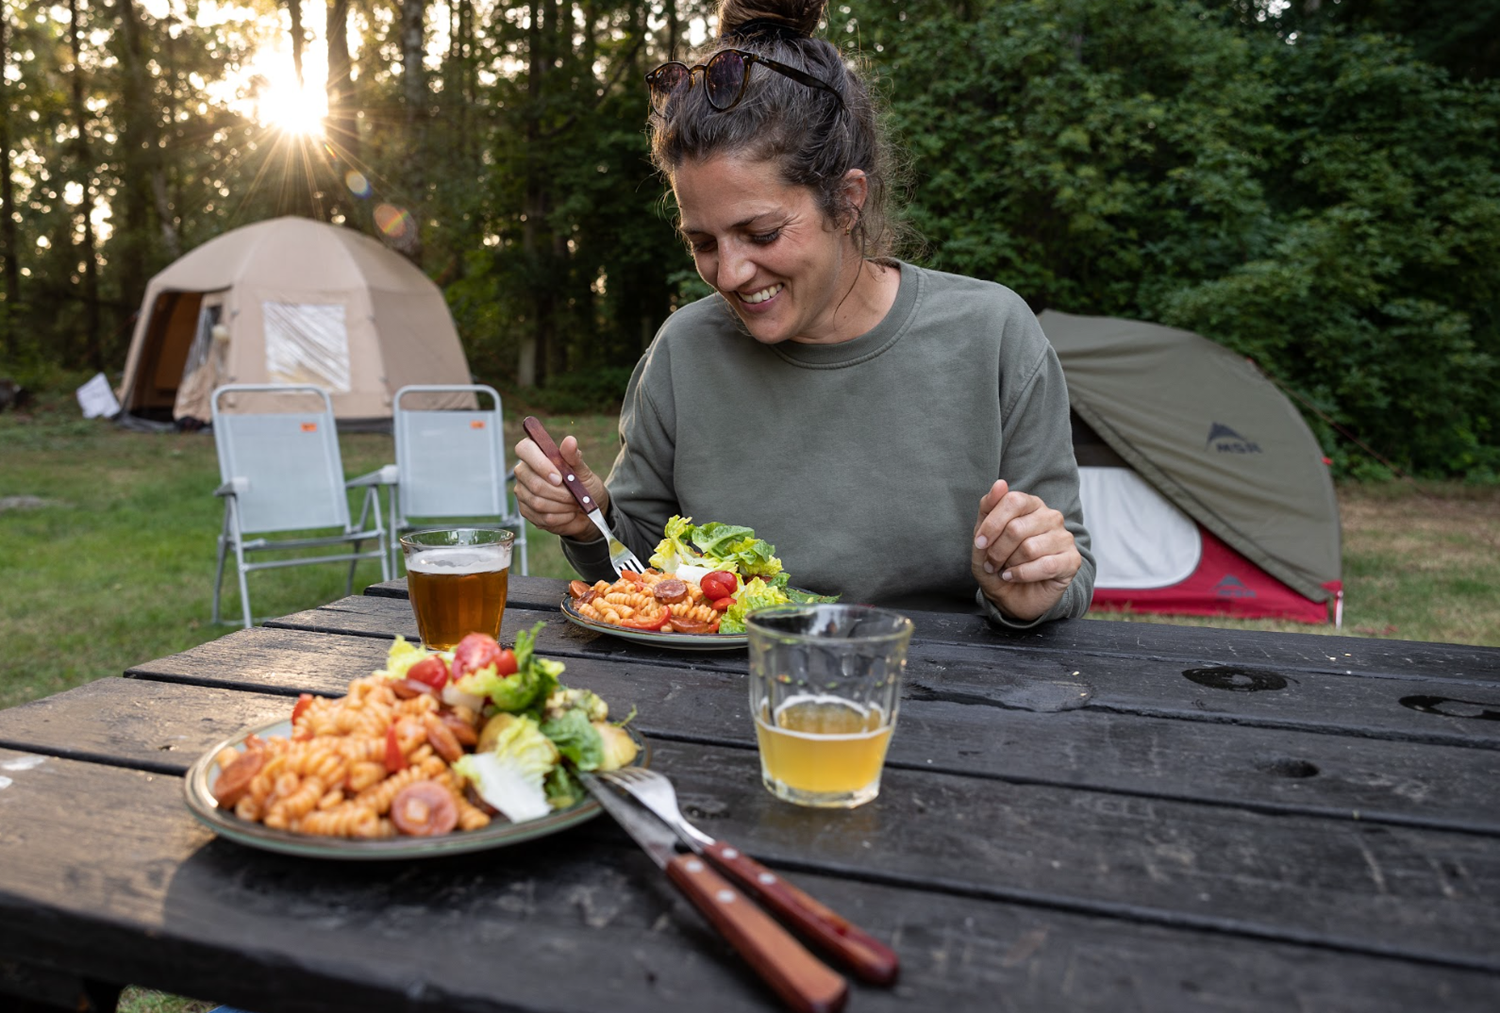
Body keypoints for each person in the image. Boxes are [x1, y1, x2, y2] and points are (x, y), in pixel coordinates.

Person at [513, 0, 1094, 627]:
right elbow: (642, 570)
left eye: (761, 234)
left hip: (941, 678)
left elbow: (1067, 564)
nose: (729, 274)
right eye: (702, 242)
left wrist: (1029, 587)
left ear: (847, 201)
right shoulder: (685, 350)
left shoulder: (993, 334)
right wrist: (590, 521)